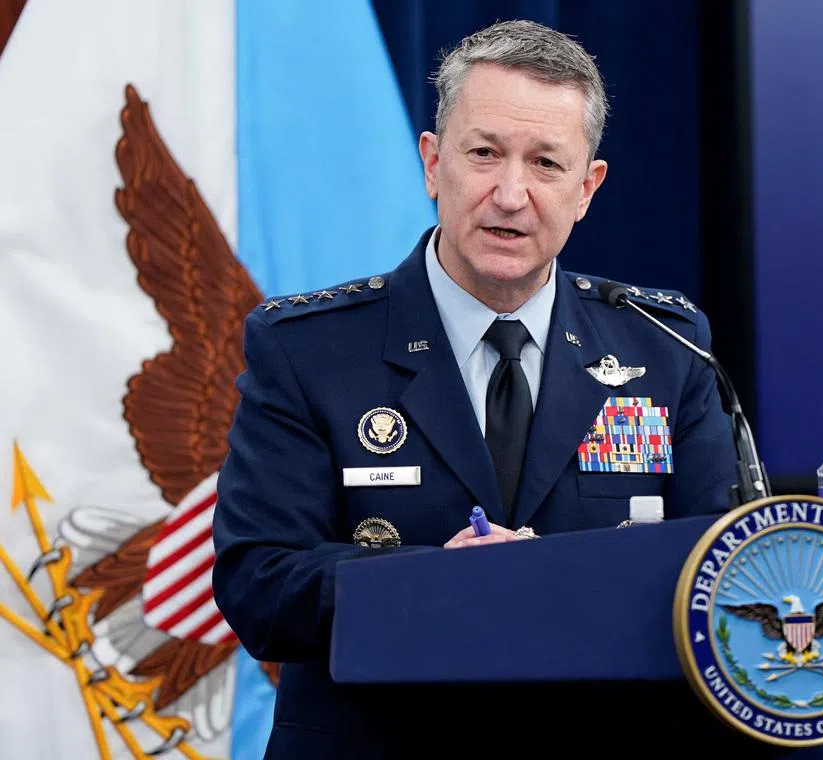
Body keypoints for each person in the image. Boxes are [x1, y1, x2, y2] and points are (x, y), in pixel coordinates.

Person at [212, 19, 737, 758]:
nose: (511, 194)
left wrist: (554, 584)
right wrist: (436, 584)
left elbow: (720, 575)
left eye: (547, 164)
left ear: (588, 188)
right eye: (484, 153)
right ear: (432, 164)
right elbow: (259, 581)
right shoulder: (307, 349)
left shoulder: (665, 346)